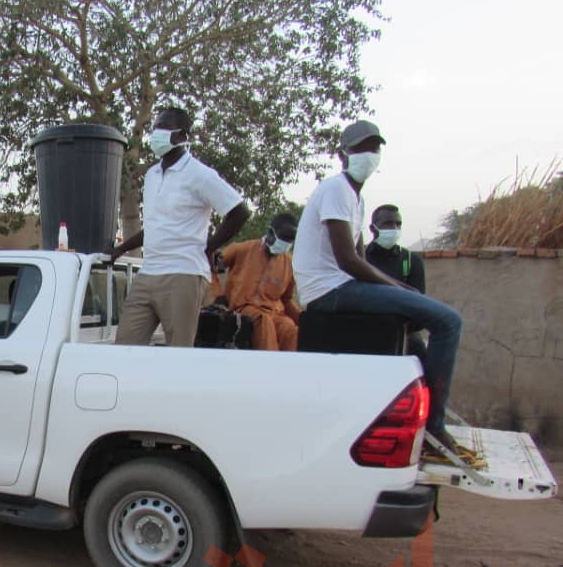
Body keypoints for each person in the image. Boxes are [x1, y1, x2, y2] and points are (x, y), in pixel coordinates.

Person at [291, 120, 478, 466]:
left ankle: (410, 413)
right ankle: (435, 429)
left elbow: (362, 260)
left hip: (342, 286)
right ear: (342, 154)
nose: (369, 154)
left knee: (415, 327)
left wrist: (402, 290)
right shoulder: (335, 189)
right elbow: (348, 260)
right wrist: (396, 287)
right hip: (329, 291)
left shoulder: (355, 198)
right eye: (362, 148)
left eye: (375, 148)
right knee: (448, 321)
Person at [110, 107, 250, 347]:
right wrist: (120, 250)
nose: (156, 134)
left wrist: (211, 245)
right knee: (125, 346)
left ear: (182, 136)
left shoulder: (200, 174)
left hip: (183, 272)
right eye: (155, 128)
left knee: (178, 351)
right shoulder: (153, 174)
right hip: (148, 272)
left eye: (163, 129)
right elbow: (155, 226)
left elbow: (239, 211)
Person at [214, 213, 301, 351]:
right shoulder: (242, 249)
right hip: (244, 308)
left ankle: (290, 370)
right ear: (270, 233)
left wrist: (303, 319)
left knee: (291, 330)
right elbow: (210, 267)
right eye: (283, 238)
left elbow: (287, 299)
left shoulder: (290, 263)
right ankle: (268, 368)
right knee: (264, 323)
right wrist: (217, 295)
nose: (285, 243)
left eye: (290, 240)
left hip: (275, 313)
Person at [365, 204, 428, 364]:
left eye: (398, 224)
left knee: (421, 355)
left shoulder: (411, 261)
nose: (394, 228)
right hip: (365, 329)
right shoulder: (360, 258)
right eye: (387, 223)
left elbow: (420, 308)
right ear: (373, 228)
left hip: (403, 331)